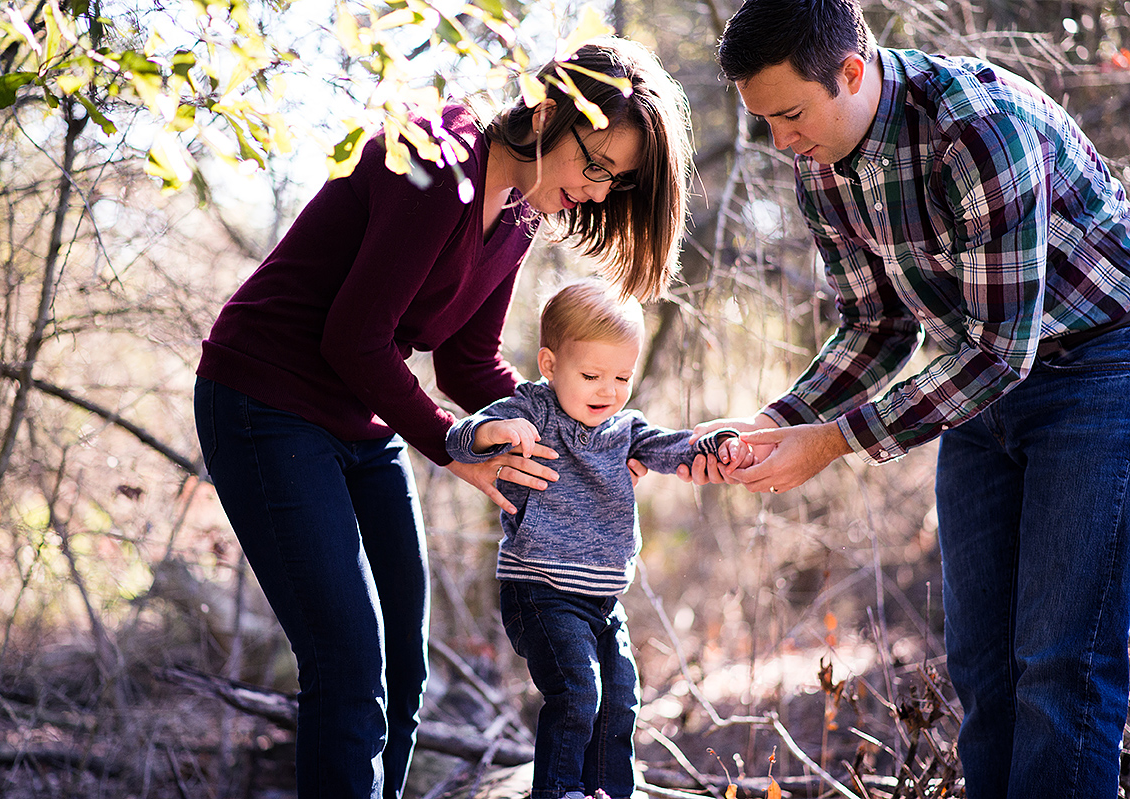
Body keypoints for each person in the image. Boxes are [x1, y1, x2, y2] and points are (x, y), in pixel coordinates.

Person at [191, 36, 693, 799]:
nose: (596, 193)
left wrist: (577, 437)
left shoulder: (520, 210)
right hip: (266, 401)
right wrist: (455, 447)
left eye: (613, 181)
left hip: (361, 419)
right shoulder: (439, 161)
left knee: (404, 667)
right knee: (348, 664)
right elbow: (353, 337)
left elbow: (467, 362)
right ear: (547, 113)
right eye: (595, 165)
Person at [693, 1, 1130, 797]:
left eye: (791, 115)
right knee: (982, 664)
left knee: (1062, 663)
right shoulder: (821, 156)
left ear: (851, 72)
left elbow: (1001, 351)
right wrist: (778, 422)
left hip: (1098, 371)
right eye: (765, 121)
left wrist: (833, 441)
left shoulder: (978, 130)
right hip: (978, 381)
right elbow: (878, 323)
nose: (780, 141)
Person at [445, 280, 747, 799]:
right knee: (577, 692)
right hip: (540, 590)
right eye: (591, 376)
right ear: (549, 364)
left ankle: (609, 791)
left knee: (620, 701)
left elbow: (670, 446)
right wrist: (492, 433)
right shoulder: (532, 411)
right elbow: (459, 439)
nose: (608, 391)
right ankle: (559, 791)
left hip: (603, 599)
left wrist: (712, 444)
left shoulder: (623, 428)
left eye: (622, 377)